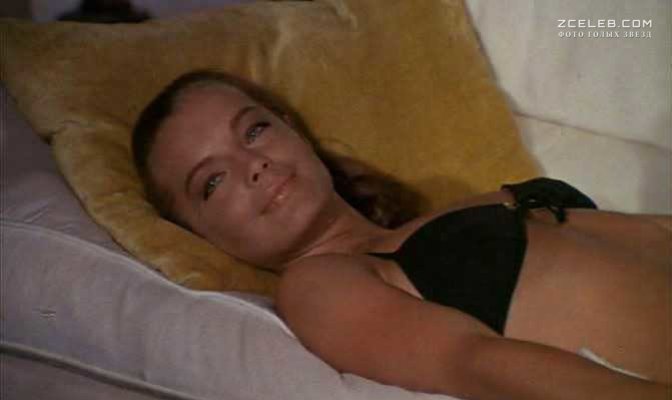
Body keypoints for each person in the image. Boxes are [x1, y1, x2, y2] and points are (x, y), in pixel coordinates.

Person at [132, 70, 671, 400]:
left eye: (254, 130)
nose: (253, 164)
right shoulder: (317, 285)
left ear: (291, 127)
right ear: (199, 235)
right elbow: (473, 363)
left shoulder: (439, 215)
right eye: (212, 182)